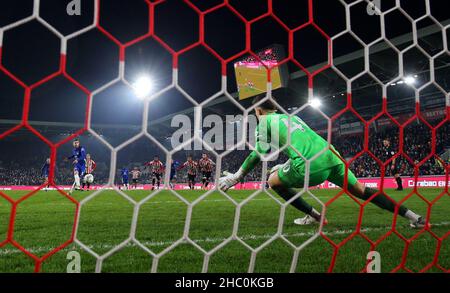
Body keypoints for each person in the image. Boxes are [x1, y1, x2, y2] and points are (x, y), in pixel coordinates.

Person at [219, 95, 426, 228]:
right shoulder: (291, 118)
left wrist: (237, 177)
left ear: (258, 110)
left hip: (310, 165)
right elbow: (302, 142)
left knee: (273, 181)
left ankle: (316, 216)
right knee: (362, 191)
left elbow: (259, 153)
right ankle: (413, 216)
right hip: (331, 156)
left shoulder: (263, 121)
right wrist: (284, 164)